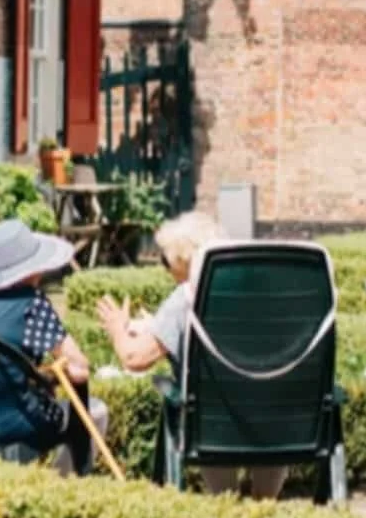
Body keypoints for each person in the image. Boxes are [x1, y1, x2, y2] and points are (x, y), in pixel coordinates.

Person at [95, 212, 290, 501]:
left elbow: (134, 358)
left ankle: (227, 504)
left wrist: (117, 329)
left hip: (215, 424)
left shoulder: (186, 297)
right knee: (259, 401)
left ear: (184, 261)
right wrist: (158, 327)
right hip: (275, 421)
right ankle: (264, 503)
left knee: (204, 406)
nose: (164, 268)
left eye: (166, 260)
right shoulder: (266, 294)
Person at [0, 219, 107, 475]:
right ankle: (65, 489)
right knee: (96, 411)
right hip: (12, 423)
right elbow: (79, 369)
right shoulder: (30, 305)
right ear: (30, 269)